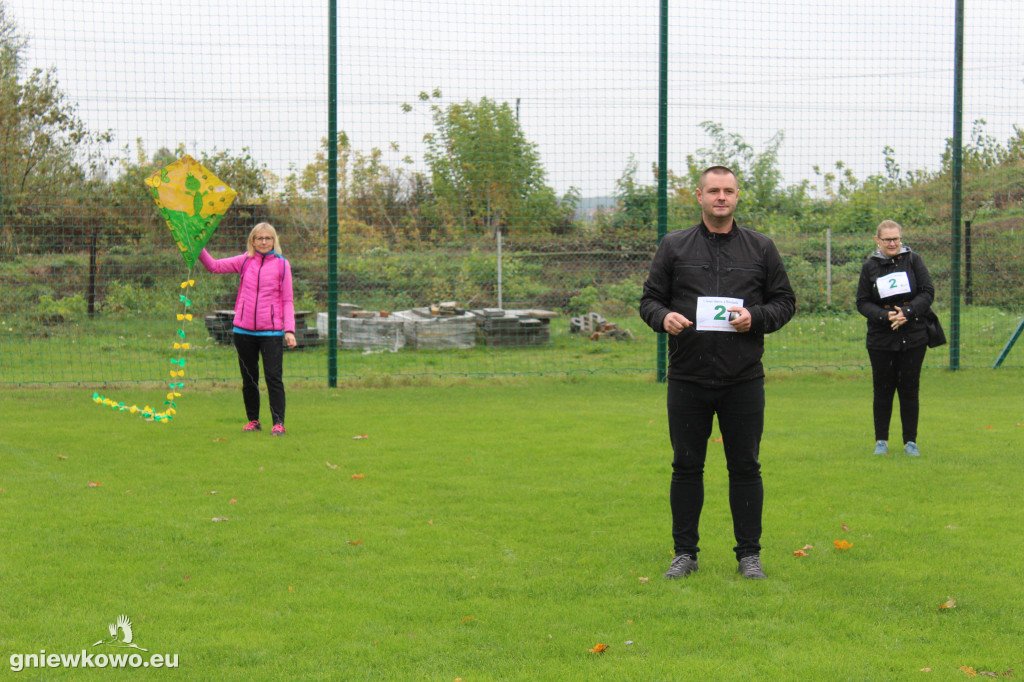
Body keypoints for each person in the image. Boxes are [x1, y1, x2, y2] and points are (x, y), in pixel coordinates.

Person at [639, 166, 796, 580]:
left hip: (743, 378)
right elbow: (650, 301)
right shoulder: (674, 246)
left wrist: (756, 317)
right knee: (685, 466)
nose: (721, 197)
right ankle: (684, 553)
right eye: (713, 191)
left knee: (745, 466)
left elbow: (785, 301)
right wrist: (664, 318)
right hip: (688, 377)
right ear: (699, 196)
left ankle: (749, 555)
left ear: (737, 196)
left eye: (728, 191)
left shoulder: (761, 248)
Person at [198, 222, 297, 435]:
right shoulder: (244, 261)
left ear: (274, 241)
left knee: (273, 378)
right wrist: (198, 247)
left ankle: (278, 423)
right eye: (259, 238)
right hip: (243, 332)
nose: (263, 242)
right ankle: (253, 420)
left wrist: (289, 330)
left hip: (271, 332)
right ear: (252, 240)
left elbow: (287, 300)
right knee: (249, 379)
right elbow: (213, 266)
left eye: (268, 238)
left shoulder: (282, 265)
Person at [855, 219, 935, 457]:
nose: (892, 243)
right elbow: (862, 302)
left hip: (914, 335)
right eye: (887, 239)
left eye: (896, 238)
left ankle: (911, 442)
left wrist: (907, 313)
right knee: (883, 389)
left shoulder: (914, 260)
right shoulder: (870, 266)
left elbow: (927, 291)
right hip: (881, 338)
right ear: (877, 240)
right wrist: (885, 316)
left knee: (910, 388)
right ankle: (882, 442)